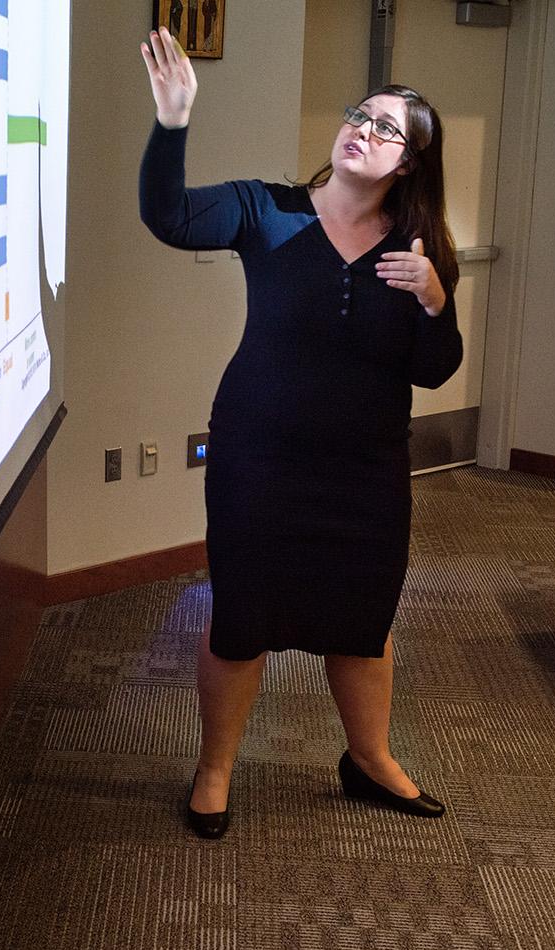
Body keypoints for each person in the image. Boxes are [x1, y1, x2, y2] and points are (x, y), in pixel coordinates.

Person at [137, 27, 463, 838]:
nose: (364, 128)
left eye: (388, 128)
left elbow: (434, 369)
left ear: (411, 163)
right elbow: (169, 217)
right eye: (362, 113)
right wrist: (173, 123)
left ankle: (370, 759)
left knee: (362, 621)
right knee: (242, 617)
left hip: (365, 472)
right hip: (259, 459)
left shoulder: (419, 252)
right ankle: (214, 770)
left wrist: (434, 300)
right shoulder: (266, 209)